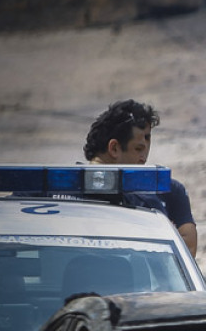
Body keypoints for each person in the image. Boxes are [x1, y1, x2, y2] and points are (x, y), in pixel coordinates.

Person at [83, 99, 199, 256]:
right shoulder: (65, 193)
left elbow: (188, 249)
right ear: (114, 148)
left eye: (146, 145)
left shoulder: (164, 191)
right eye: (138, 149)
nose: (144, 157)